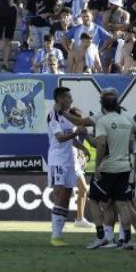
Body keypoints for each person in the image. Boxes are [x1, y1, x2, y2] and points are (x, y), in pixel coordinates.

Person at [87, 88, 136, 250]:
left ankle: (101, 236)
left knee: (94, 199)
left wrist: (97, 166)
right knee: (122, 203)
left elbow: (101, 144)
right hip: (125, 167)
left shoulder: (102, 121)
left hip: (109, 167)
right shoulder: (127, 120)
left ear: (102, 105)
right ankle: (126, 240)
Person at [45, 87, 87, 247]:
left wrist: (81, 148)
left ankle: (59, 235)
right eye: (68, 97)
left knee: (66, 197)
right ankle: (55, 236)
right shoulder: (53, 115)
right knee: (59, 195)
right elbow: (61, 137)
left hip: (70, 160)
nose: (71, 100)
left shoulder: (67, 115)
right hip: (57, 160)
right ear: (60, 99)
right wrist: (76, 134)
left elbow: (70, 138)